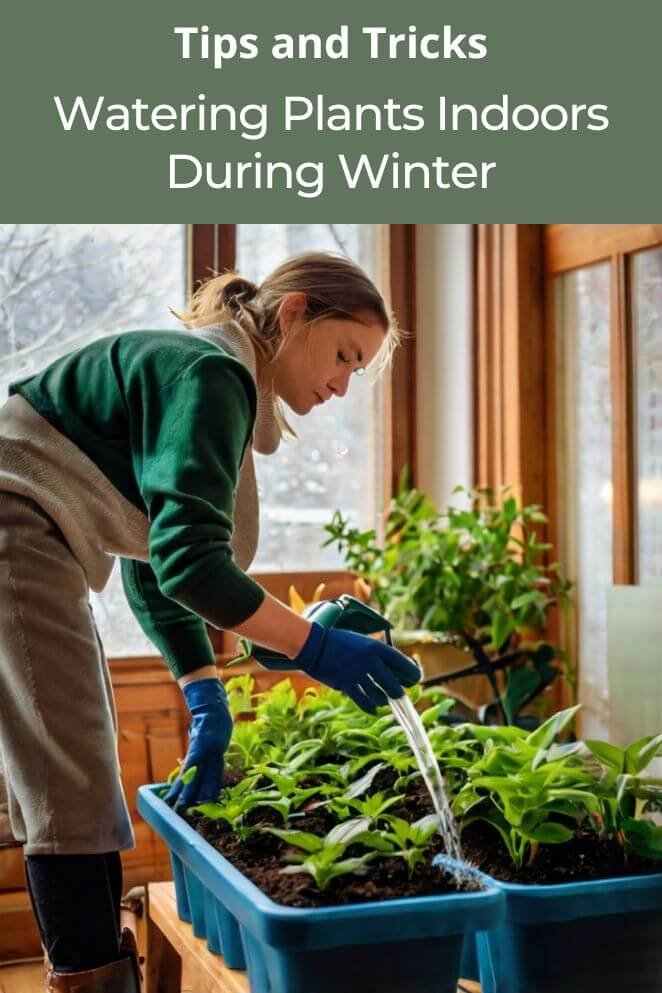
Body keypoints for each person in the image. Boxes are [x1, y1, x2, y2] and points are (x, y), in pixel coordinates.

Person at [0, 251, 421, 992]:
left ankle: (100, 967)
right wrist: (316, 647)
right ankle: (91, 977)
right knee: (67, 781)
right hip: (15, 523)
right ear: (293, 314)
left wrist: (204, 693)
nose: (344, 383)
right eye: (345, 354)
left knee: (80, 770)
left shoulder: (214, 377)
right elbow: (190, 564)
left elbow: (151, 562)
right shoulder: (211, 376)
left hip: (39, 533)